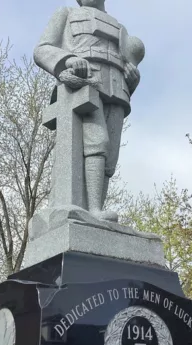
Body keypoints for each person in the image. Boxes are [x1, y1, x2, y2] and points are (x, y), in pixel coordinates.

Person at [34, 0, 144, 222]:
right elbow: (42, 49)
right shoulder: (65, 14)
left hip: (117, 91)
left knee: (110, 158)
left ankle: (97, 211)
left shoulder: (120, 28)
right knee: (98, 142)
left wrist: (133, 79)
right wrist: (69, 59)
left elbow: (126, 64)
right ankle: (93, 210)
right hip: (86, 83)